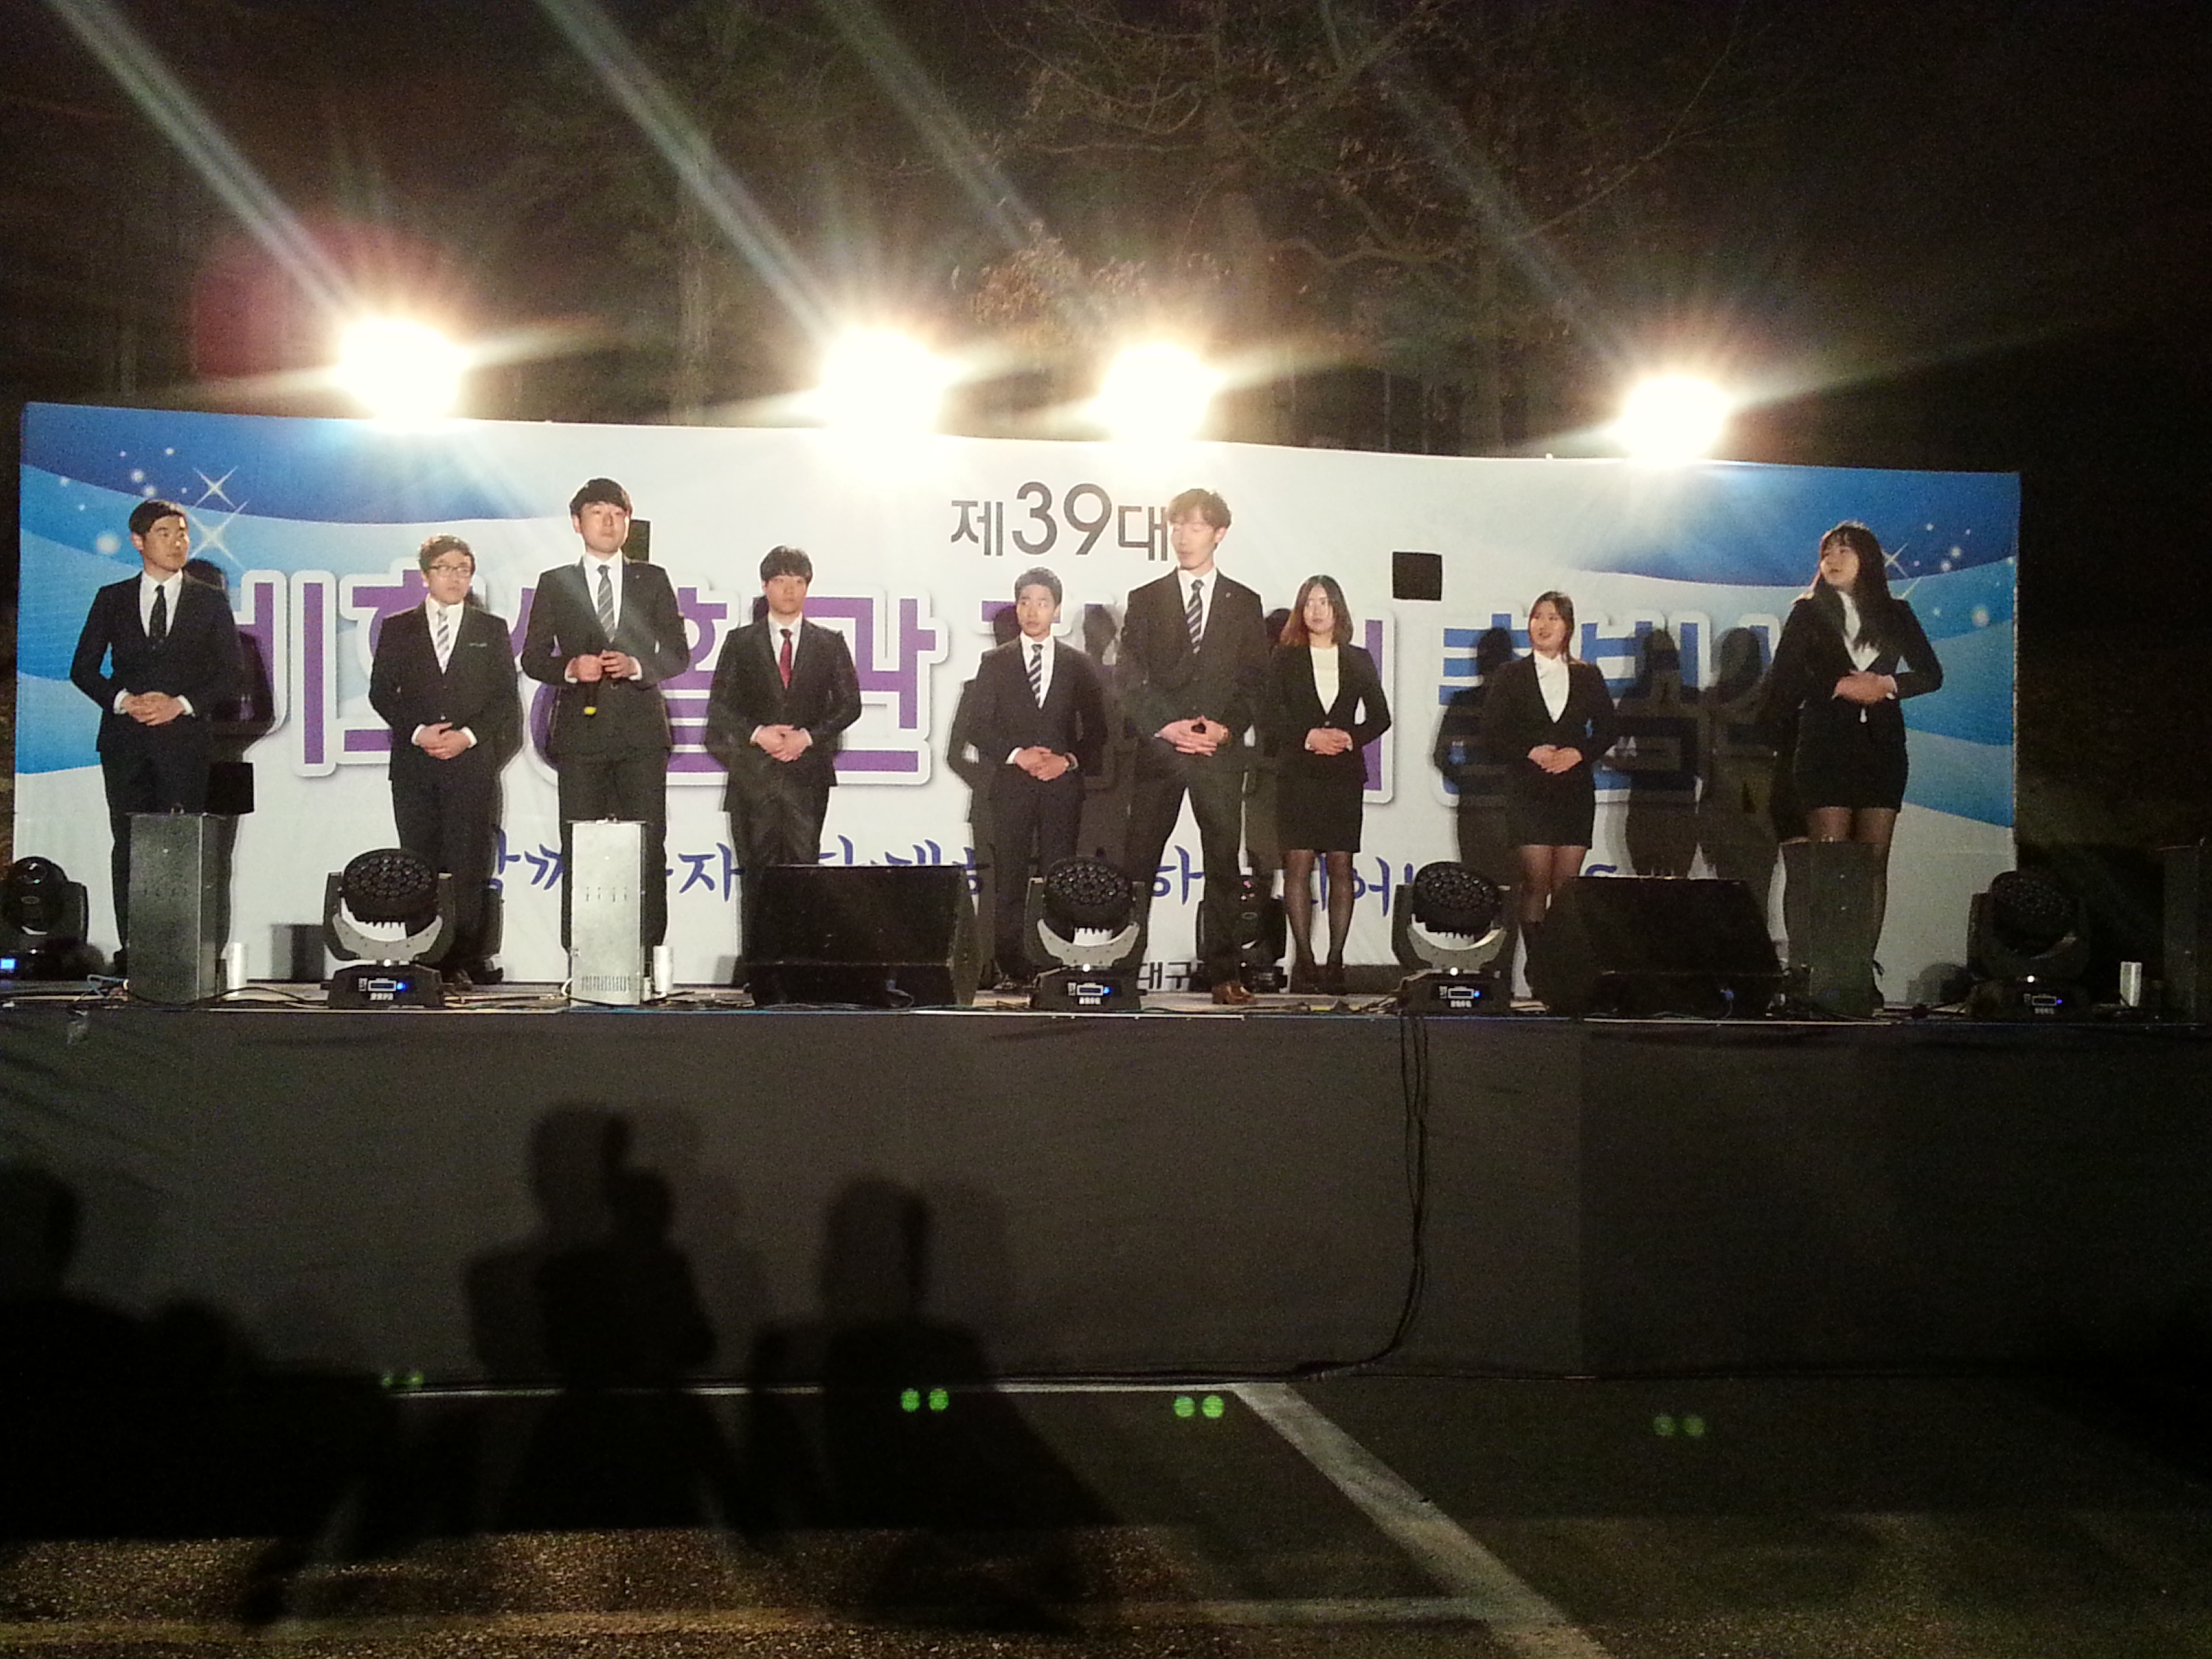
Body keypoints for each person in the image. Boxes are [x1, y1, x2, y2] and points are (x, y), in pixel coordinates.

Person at [1756, 519, 1943, 956]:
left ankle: (1860, 969)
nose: (1833, 560)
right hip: (1825, 746)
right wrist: (1837, 685)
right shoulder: (1808, 612)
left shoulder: (1897, 613)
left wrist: (1887, 684)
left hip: (1882, 749)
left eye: (1844, 551)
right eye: (1827, 553)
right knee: (1832, 862)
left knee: (1873, 863)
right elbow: (1784, 680)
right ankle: (1825, 968)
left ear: (1867, 559)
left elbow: (1931, 674)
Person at [520, 478, 692, 950]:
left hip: (641, 734)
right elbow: (533, 658)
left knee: (648, 846)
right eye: (597, 513)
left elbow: (677, 653)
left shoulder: (651, 579)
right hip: (582, 734)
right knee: (580, 847)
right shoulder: (556, 582)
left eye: (617, 513)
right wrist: (571, 668)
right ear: (578, 524)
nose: (609, 522)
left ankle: (648, 955)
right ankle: (581, 956)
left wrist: (637, 666)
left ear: (628, 522)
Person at [68, 499, 243, 954]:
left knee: (185, 846)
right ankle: (134, 954)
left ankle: (186, 956)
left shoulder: (210, 600)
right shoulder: (112, 598)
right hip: (125, 743)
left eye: (182, 533)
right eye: (164, 533)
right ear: (138, 541)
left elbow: (231, 673)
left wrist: (180, 705)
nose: (177, 542)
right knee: (129, 846)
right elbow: (83, 668)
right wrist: (124, 701)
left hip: (186, 744)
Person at [1118, 487, 1271, 1004]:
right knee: (1140, 861)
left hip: (1218, 754)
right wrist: (1167, 727)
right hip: (1161, 751)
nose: (1183, 537)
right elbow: (1129, 679)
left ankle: (1225, 972)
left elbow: (1256, 682)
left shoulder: (1244, 603)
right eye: (1177, 526)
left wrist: (1226, 729)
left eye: (1196, 527)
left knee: (1223, 865)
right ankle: (1123, 970)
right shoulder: (1146, 598)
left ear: (1219, 534)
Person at [368, 533, 523, 986]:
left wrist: (467, 738)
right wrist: (418, 732)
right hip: (414, 766)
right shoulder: (398, 627)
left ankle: (460, 960)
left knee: (467, 863)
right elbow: (381, 693)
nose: (455, 577)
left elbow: (504, 699)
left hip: (470, 764)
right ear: (425, 575)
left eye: (463, 569)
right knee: (418, 862)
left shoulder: (490, 629)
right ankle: (421, 957)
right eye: (445, 568)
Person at [705, 545, 862, 945]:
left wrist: (806, 738)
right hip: (753, 778)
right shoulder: (741, 642)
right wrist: (759, 733)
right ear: (765, 586)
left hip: (806, 778)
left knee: (804, 872)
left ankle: (801, 962)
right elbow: (719, 707)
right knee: (756, 875)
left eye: (797, 581)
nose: (789, 590)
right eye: (779, 581)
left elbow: (850, 705)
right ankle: (758, 963)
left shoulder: (829, 642)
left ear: (808, 586)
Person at [964, 567, 1109, 987]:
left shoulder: (1077, 665)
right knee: (1009, 880)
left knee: (1059, 878)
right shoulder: (995, 662)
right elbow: (977, 727)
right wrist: (1017, 755)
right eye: (1025, 602)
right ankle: (1011, 967)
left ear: (1057, 610)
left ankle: (1054, 966)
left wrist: (1068, 761)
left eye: (1042, 603)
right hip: (1011, 787)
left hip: (1062, 788)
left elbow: (1097, 731)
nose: (1032, 611)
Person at [1263, 575, 1391, 995]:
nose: (1316, 611)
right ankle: (1305, 961)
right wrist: (1307, 737)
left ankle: (1335, 961)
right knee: (1298, 866)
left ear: (1338, 609)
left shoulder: (1357, 658)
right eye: (1310, 603)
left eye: (1324, 602)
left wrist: (1350, 737)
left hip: (1342, 775)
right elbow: (1270, 716)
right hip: (1298, 773)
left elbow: (1380, 716)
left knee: (1340, 866)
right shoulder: (1285, 658)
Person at [1481, 590, 1618, 951]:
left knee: (1566, 887)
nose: (1543, 625)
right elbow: (1491, 732)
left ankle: (1563, 964)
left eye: (1553, 618)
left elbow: (1608, 729)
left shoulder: (1587, 675)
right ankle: (1536, 963)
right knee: (1536, 882)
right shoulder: (1511, 674)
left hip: (1574, 789)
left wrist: (1579, 753)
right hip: (1529, 789)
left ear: (1567, 627)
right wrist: (1529, 751)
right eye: (1537, 617)